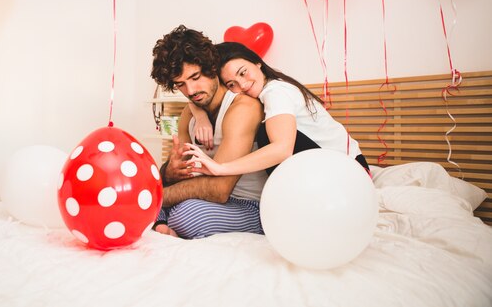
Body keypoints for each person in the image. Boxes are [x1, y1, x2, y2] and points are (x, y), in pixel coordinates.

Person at [150, 26, 269, 239]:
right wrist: (170, 173)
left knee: (188, 214)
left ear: (212, 67)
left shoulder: (242, 108)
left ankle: (162, 219)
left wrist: (154, 197)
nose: (191, 91)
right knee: (143, 187)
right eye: (181, 85)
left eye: (195, 77)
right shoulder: (190, 112)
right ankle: (161, 221)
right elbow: (183, 174)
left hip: (249, 205)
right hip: (206, 198)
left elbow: (220, 190)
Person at [184, 41, 370, 177]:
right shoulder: (270, 88)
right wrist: (200, 116)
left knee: (266, 135)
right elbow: (195, 98)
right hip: (342, 168)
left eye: (243, 72)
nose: (242, 84)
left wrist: (221, 168)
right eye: (231, 84)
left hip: (352, 173)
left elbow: (282, 149)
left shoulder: (276, 92)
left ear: (257, 62)